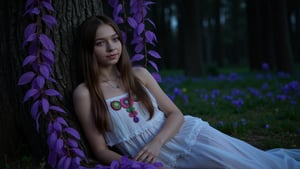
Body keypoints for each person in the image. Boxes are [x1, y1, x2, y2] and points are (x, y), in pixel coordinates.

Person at [73, 15, 300, 169]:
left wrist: (156, 143)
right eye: (100, 43)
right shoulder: (85, 94)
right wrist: (136, 165)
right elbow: (100, 149)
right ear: (87, 50)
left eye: (115, 39)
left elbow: (175, 114)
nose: (112, 48)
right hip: (153, 162)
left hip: (188, 137)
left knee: (255, 165)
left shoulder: (138, 75)